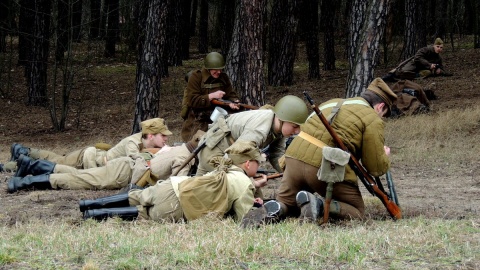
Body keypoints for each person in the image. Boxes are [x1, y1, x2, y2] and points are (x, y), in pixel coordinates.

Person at [240, 78, 397, 227]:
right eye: (384, 114)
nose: (382, 117)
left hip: (293, 158)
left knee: (289, 203)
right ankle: (318, 205)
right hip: (324, 166)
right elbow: (375, 167)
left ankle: (279, 207)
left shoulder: (331, 103)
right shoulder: (372, 119)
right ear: (380, 107)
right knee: (357, 211)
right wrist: (384, 156)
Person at [79, 141, 268, 223]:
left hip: (173, 184)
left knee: (136, 196)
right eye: (257, 162)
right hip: (178, 204)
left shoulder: (222, 168)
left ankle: (88, 205)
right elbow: (245, 220)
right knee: (143, 213)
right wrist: (258, 208)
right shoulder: (244, 185)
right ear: (248, 163)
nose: (258, 165)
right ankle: (94, 215)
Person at [6, 131, 205, 193]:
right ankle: (26, 181)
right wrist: (134, 189)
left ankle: (30, 169)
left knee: (78, 175)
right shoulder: (182, 157)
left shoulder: (176, 149)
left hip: (121, 167)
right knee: (80, 180)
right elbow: (177, 186)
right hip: (122, 172)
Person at [195, 95, 310, 176]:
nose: (297, 131)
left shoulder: (278, 129)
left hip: (223, 150)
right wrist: (251, 181)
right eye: (295, 126)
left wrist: (288, 173)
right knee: (242, 189)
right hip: (214, 152)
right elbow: (237, 155)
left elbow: (276, 155)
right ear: (281, 119)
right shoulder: (259, 129)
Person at [8, 118, 172, 170]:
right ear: (150, 135)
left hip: (92, 158)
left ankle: (23, 151)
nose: (166, 139)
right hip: (88, 159)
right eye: (163, 136)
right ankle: (14, 160)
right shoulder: (133, 142)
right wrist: (162, 153)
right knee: (52, 164)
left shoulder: (143, 139)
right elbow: (135, 160)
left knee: (57, 160)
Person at [180, 52, 241, 142]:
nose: (219, 72)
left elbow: (230, 94)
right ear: (208, 68)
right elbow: (192, 100)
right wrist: (211, 96)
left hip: (218, 117)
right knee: (195, 144)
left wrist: (233, 101)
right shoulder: (196, 77)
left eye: (220, 69)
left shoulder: (223, 78)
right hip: (198, 119)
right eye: (215, 70)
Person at [383, 38, 451, 81]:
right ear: (434, 46)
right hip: (414, 64)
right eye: (438, 46)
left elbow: (442, 68)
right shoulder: (425, 50)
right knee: (402, 72)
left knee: (428, 73)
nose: (439, 49)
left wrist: (438, 70)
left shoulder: (438, 58)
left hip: (421, 69)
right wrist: (429, 65)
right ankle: (391, 76)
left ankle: (413, 76)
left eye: (441, 47)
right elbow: (417, 58)